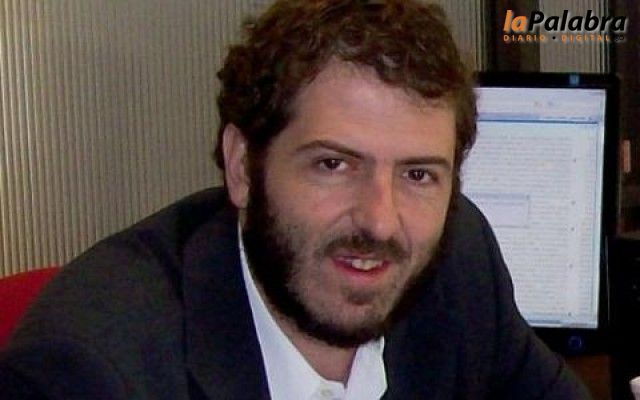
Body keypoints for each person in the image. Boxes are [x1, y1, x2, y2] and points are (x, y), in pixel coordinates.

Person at [0, 0, 589, 399]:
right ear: (242, 167)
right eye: (334, 164)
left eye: (418, 174)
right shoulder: (86, 373)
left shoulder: (458, 263)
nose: (380, 222)